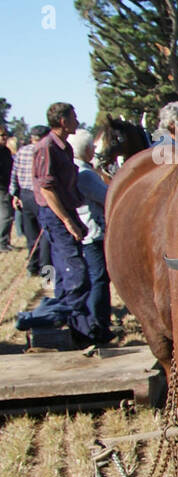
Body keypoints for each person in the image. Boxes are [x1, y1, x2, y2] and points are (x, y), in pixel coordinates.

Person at [29, 102, 96, 345]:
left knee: (67, 273)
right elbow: (47, 190)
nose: (77, 120)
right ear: (62, 121)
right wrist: (67, 221)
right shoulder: (46, 147)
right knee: (76, 274)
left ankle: (72, 330)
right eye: (74, 116)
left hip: (67, 211)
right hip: (55, 215)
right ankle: (56, 321)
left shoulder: (64, 147)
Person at [69, 129, 111, 344]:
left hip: (84, 231)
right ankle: (99, 325)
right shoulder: (85, 174)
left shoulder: (76, 170)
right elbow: (107, 197)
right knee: (99, 279)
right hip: (93, 233)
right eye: (92, 148)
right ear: (86, 150)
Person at [10, 124, 52, 277]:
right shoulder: (44, 151)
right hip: (40, 195)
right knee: (46, 234)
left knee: (31, 234)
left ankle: (32, 266)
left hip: (25, 196)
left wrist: (15, 195)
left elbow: (14, 174)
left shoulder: (22, 151)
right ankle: (46, 271)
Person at [0, 126, 13, 249]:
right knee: (6, 216)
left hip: (6, 186)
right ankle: (2, 243)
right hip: (2, 188)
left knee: (8, 215)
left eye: (5, 135)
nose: (4, 137)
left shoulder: (6, 151)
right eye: (1, 135)